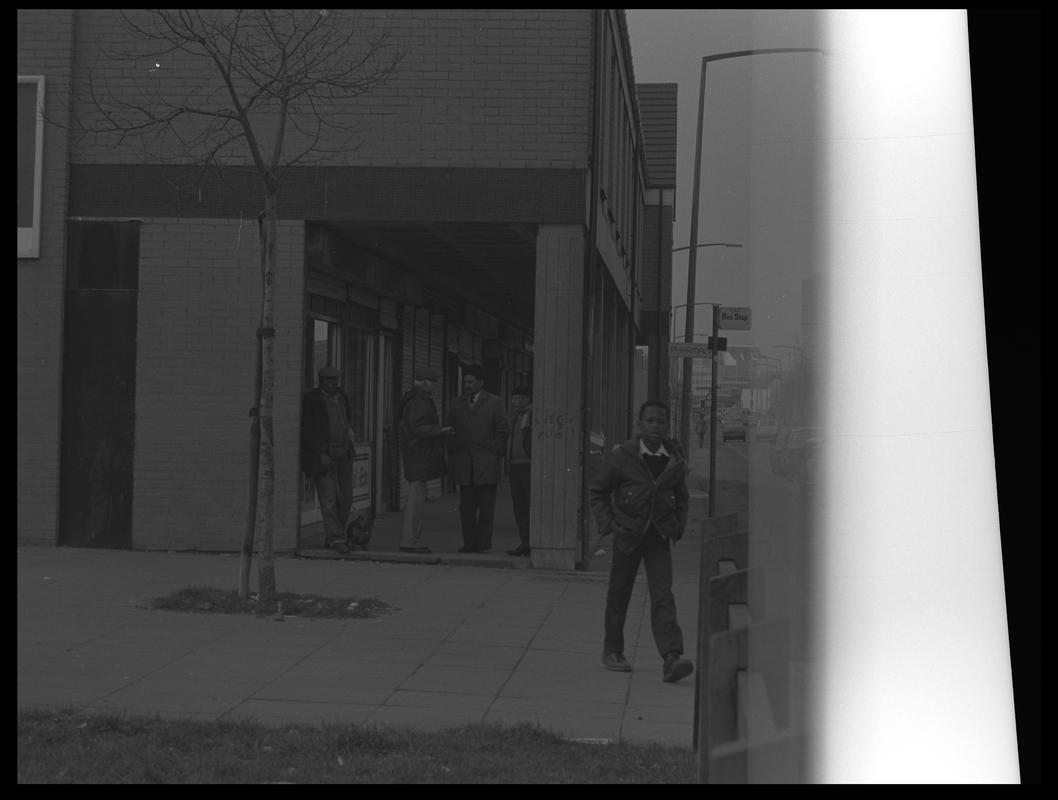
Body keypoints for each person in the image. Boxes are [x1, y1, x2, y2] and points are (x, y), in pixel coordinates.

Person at [589, 399, 694, 683]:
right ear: (639, 424)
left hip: (659, 538)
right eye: (650, 421)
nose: (656, 426)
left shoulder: (674, 458)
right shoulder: (623, 456)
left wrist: (678, 526)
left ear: (667, 425)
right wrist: (609, 525)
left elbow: (682, 497)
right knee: (619, 593)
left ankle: (671, 658)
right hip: (628, 536)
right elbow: (598, 491)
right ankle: (613, 651)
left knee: (663, 596)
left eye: (661, 421)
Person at [445, 365, 509, 554]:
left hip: (486, 463)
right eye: (465, 382)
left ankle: (483, 544)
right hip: (465, 463)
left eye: (471, 382)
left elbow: (502, 430)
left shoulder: (494, 402)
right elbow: (450, 429)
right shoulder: (456, 403)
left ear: (481, 383)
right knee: (466, 508)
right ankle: (468, 543)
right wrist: (454, 451)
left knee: (486, 507)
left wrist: (496, 451)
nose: (467, 385)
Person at [301, 365, 357, 554]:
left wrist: (351, 441)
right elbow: (308, 430)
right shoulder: (312, 399)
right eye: (329, 380)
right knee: (329, 499)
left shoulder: (342, 398)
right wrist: (319, 453)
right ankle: (336, 538)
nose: (333, 383)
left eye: (335, 380)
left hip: (345, 453)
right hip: (325, 455)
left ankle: (335, 534)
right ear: (320, 380)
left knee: (347, 499)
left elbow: (347, 421)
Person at [397, 365, 453, 554]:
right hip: (419, 456)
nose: (436, 385)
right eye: (434, 381)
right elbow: (417, 428)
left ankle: (411, 539)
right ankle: (410, 541)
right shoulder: (419, 402)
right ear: (425, 382)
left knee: (416, 498)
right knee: (415, 500)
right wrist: (439, 430)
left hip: (416, 455)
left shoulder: (416, 399)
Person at [505, 383, 533, 557]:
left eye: (518, 399)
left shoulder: (531, 414)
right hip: (515, 464)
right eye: (513, 398)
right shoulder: (517, 416)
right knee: (519, 506)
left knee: (527, 506)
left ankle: (530, 541)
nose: (514, 402)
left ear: (527, 399)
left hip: (527, 464)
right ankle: (525, 542)